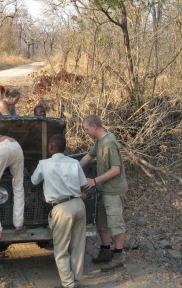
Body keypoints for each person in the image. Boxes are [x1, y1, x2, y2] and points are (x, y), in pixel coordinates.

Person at [31, 134, 88, 288]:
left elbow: (34, 180)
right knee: (78, 246)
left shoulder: (44, 164)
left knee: (61, 248)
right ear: (65, 148)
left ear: (50, 147)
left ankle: (69, 284)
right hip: (78, 204)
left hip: (61, 208)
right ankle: (75, 280)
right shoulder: (74, 163)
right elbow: (83, 184)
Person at [80, 114, 128, 272]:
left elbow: (115, 170)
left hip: (113, 190)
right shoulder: (99, 141)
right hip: (103, 189)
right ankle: (106, 250)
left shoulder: (109, 143)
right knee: (101, 222)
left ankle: (118, 255)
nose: (86, 132)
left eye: (87, 129)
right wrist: (72, 168)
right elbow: (88, 156)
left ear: (95, 127)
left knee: (115, 223)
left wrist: (94, 181)